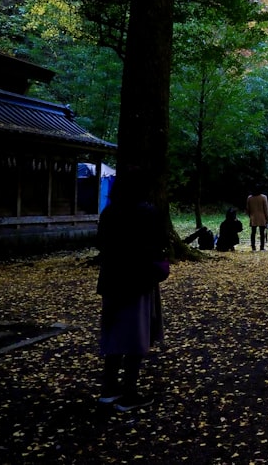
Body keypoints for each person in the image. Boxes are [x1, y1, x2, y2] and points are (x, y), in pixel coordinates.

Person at [96, 166, 170, 412]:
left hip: (112, 280)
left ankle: (108, 389)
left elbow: (102, 244)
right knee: (136, 334)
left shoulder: (108, 213)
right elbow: (156, 243)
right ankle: (129, 392)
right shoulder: (146, 212)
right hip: (138, 280)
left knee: (115, 332)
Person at [246, 186, 268, 251]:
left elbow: (248, 209)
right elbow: (266, 209)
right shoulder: (263, 197)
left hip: (253, 217)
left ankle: (253, 247)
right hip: (262, 218)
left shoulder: (249, 198)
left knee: (253, 233)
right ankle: (262, 247)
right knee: (262, 233)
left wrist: (250, 216)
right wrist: (267, 219)